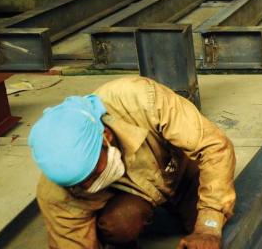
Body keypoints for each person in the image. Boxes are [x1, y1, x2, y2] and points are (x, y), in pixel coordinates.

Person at [28, 76, 236, 249]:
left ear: (106, 137)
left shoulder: (141, 99)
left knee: (211, 235)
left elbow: (214, 147)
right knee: (120, 223)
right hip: (131, 196)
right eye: (81, 184)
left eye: (92, 174)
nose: (89, 186)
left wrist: (208, 226)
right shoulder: (55, 192)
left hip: (177, 170)